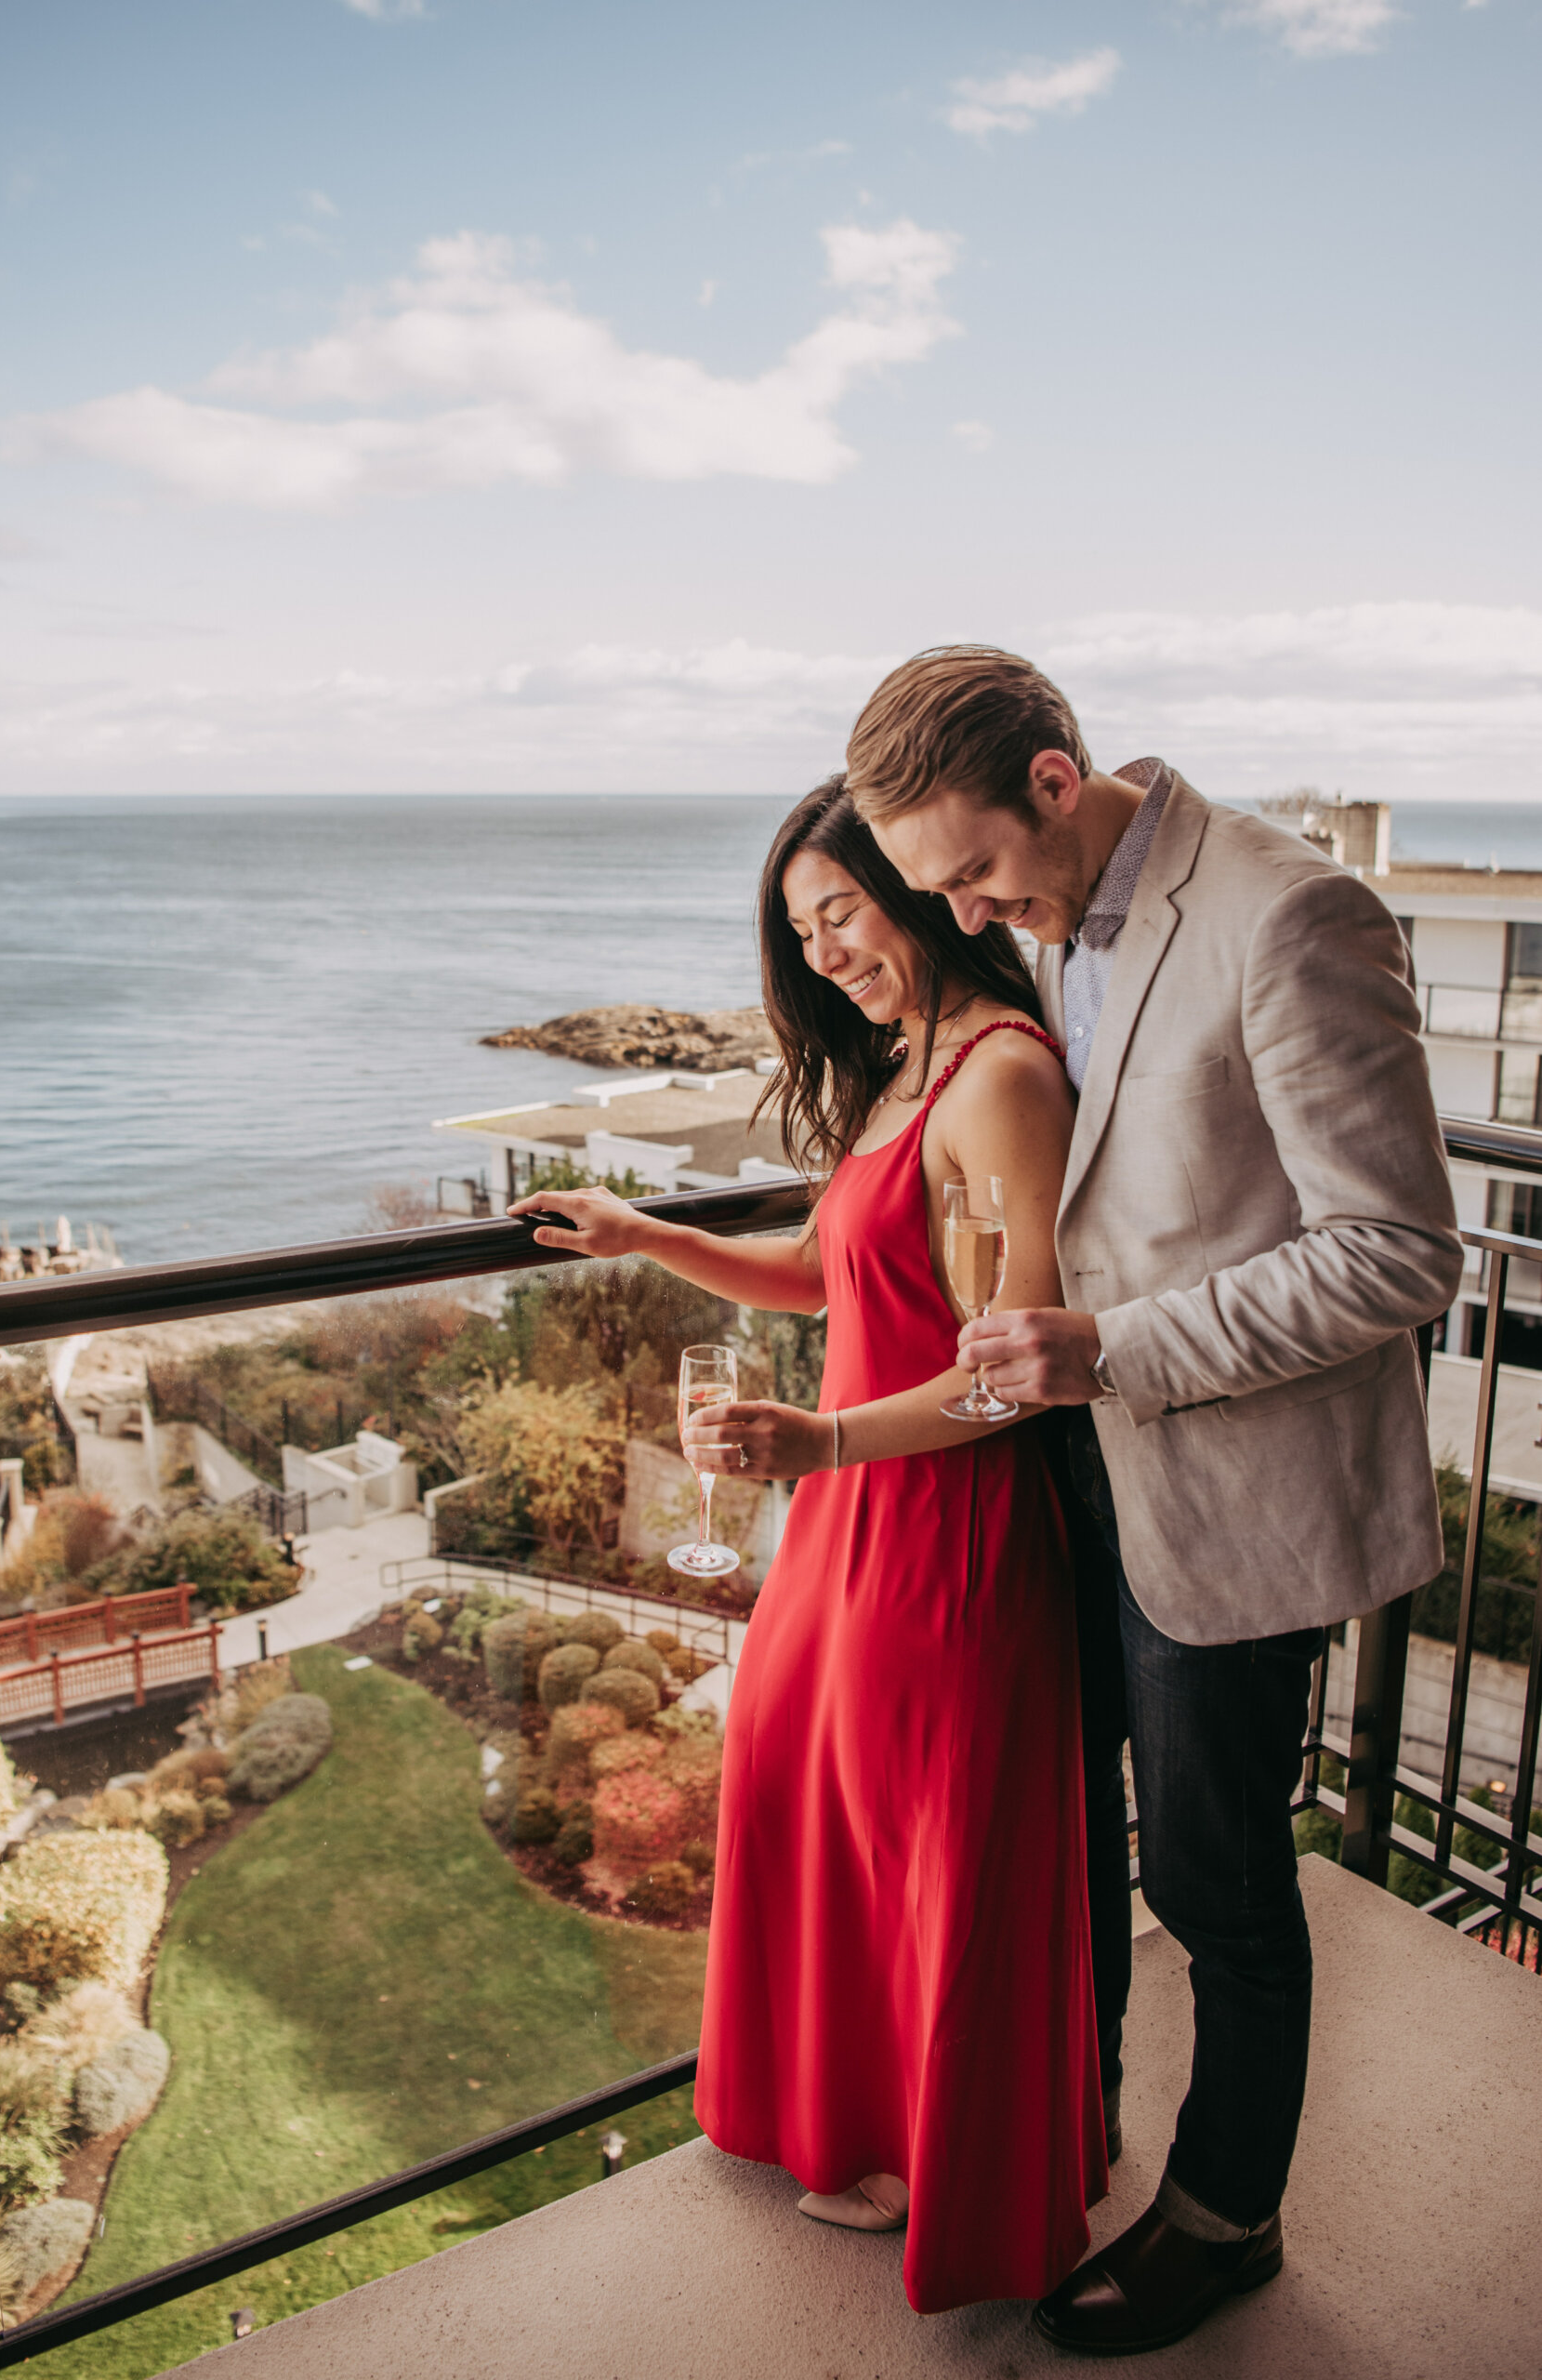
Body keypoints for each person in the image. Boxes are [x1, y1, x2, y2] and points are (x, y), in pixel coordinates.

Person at [845, 647, 1463, 2355]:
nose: (965, 914)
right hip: (1078, 1478)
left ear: (1056, 778)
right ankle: (1068, 2143)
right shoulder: (1047, 928)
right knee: (1068, 1852)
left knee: (1212, 1882)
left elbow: (1398, 1254)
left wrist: (1105, 1347)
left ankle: (1222, 2220)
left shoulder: (1290, 913)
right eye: (931, 890)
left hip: (1231, 1490)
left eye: (969, 869)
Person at [512, 776, 1107, 2314]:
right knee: (811, 1807)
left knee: (934, 1860)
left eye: (841, 908)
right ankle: (858, 2126)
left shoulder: (998, 1078)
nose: (827, 948)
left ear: (914, 885)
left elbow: (1010, 1368)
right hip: (847, 1521)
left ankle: (960, 2180)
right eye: (801, 927)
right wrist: (652, 1236)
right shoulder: (907, 1065)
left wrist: (817, 1444)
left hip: (946, 1529)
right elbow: (825, 1277)